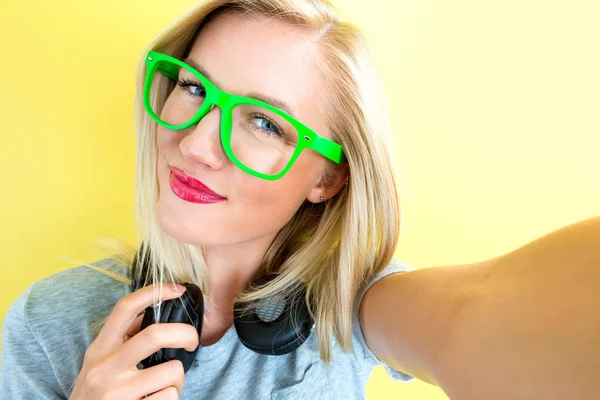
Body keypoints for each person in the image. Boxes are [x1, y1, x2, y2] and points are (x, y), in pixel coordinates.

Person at [2, 0, 599, 399]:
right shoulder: (52, 321)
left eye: (264, 124)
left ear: (328, 180)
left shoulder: (355, 309)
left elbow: (487, 320)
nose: (196, 141)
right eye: (193, 86)